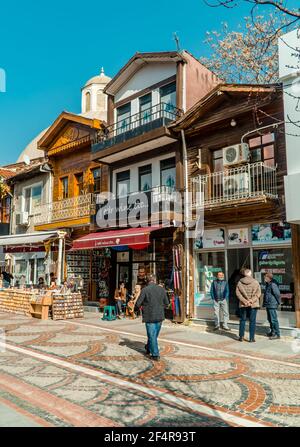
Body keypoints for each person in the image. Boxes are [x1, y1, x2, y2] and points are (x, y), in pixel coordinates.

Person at [135, 275, 169, 361]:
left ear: (147, 281)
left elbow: (138, 303)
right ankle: (149, 347)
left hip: (149, 316)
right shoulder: (161, 289)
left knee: (152, 335)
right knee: (153, 335)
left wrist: (135, 310)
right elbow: (166, 303)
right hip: (160, 316)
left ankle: (155, 354)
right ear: (155, 280)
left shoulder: (145, 290)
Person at [236, 269, 261, 342]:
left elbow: (238, 294)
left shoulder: (240, 282)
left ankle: (241, 337)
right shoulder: (255, 282)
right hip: (253, 304)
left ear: (244, 274)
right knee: (252, 321)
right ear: (250, 274)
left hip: (243, 304)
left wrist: (244, 301)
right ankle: (251, 338)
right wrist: (251, 301)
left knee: (242, 320)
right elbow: (258, 293)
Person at [263, 273, 281, 340]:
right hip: (269, 304)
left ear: (268, 277)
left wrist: (279, 302)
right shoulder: (268, 284)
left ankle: (277, 334)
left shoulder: (273, 284)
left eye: (265, 277)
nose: (264, 278)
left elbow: (277, 294)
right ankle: (273, 332)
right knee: (269, 319)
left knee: (273, 320)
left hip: (272, 304)